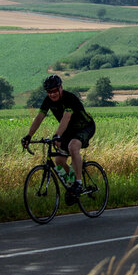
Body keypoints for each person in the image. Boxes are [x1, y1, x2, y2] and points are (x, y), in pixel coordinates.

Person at [22, 75, 96, 203]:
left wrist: (57, 134)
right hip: (69, 130)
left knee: (73, 146)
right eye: (49, 92)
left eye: (55, 90)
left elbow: (66, 117)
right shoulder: (48, 100)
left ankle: (78, 182)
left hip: (85, 127)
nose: (52, 94)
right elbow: (39, 117)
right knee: (59, 160)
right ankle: (73, 185)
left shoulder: (69, 98)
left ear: (61, 88)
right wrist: (29, 136)